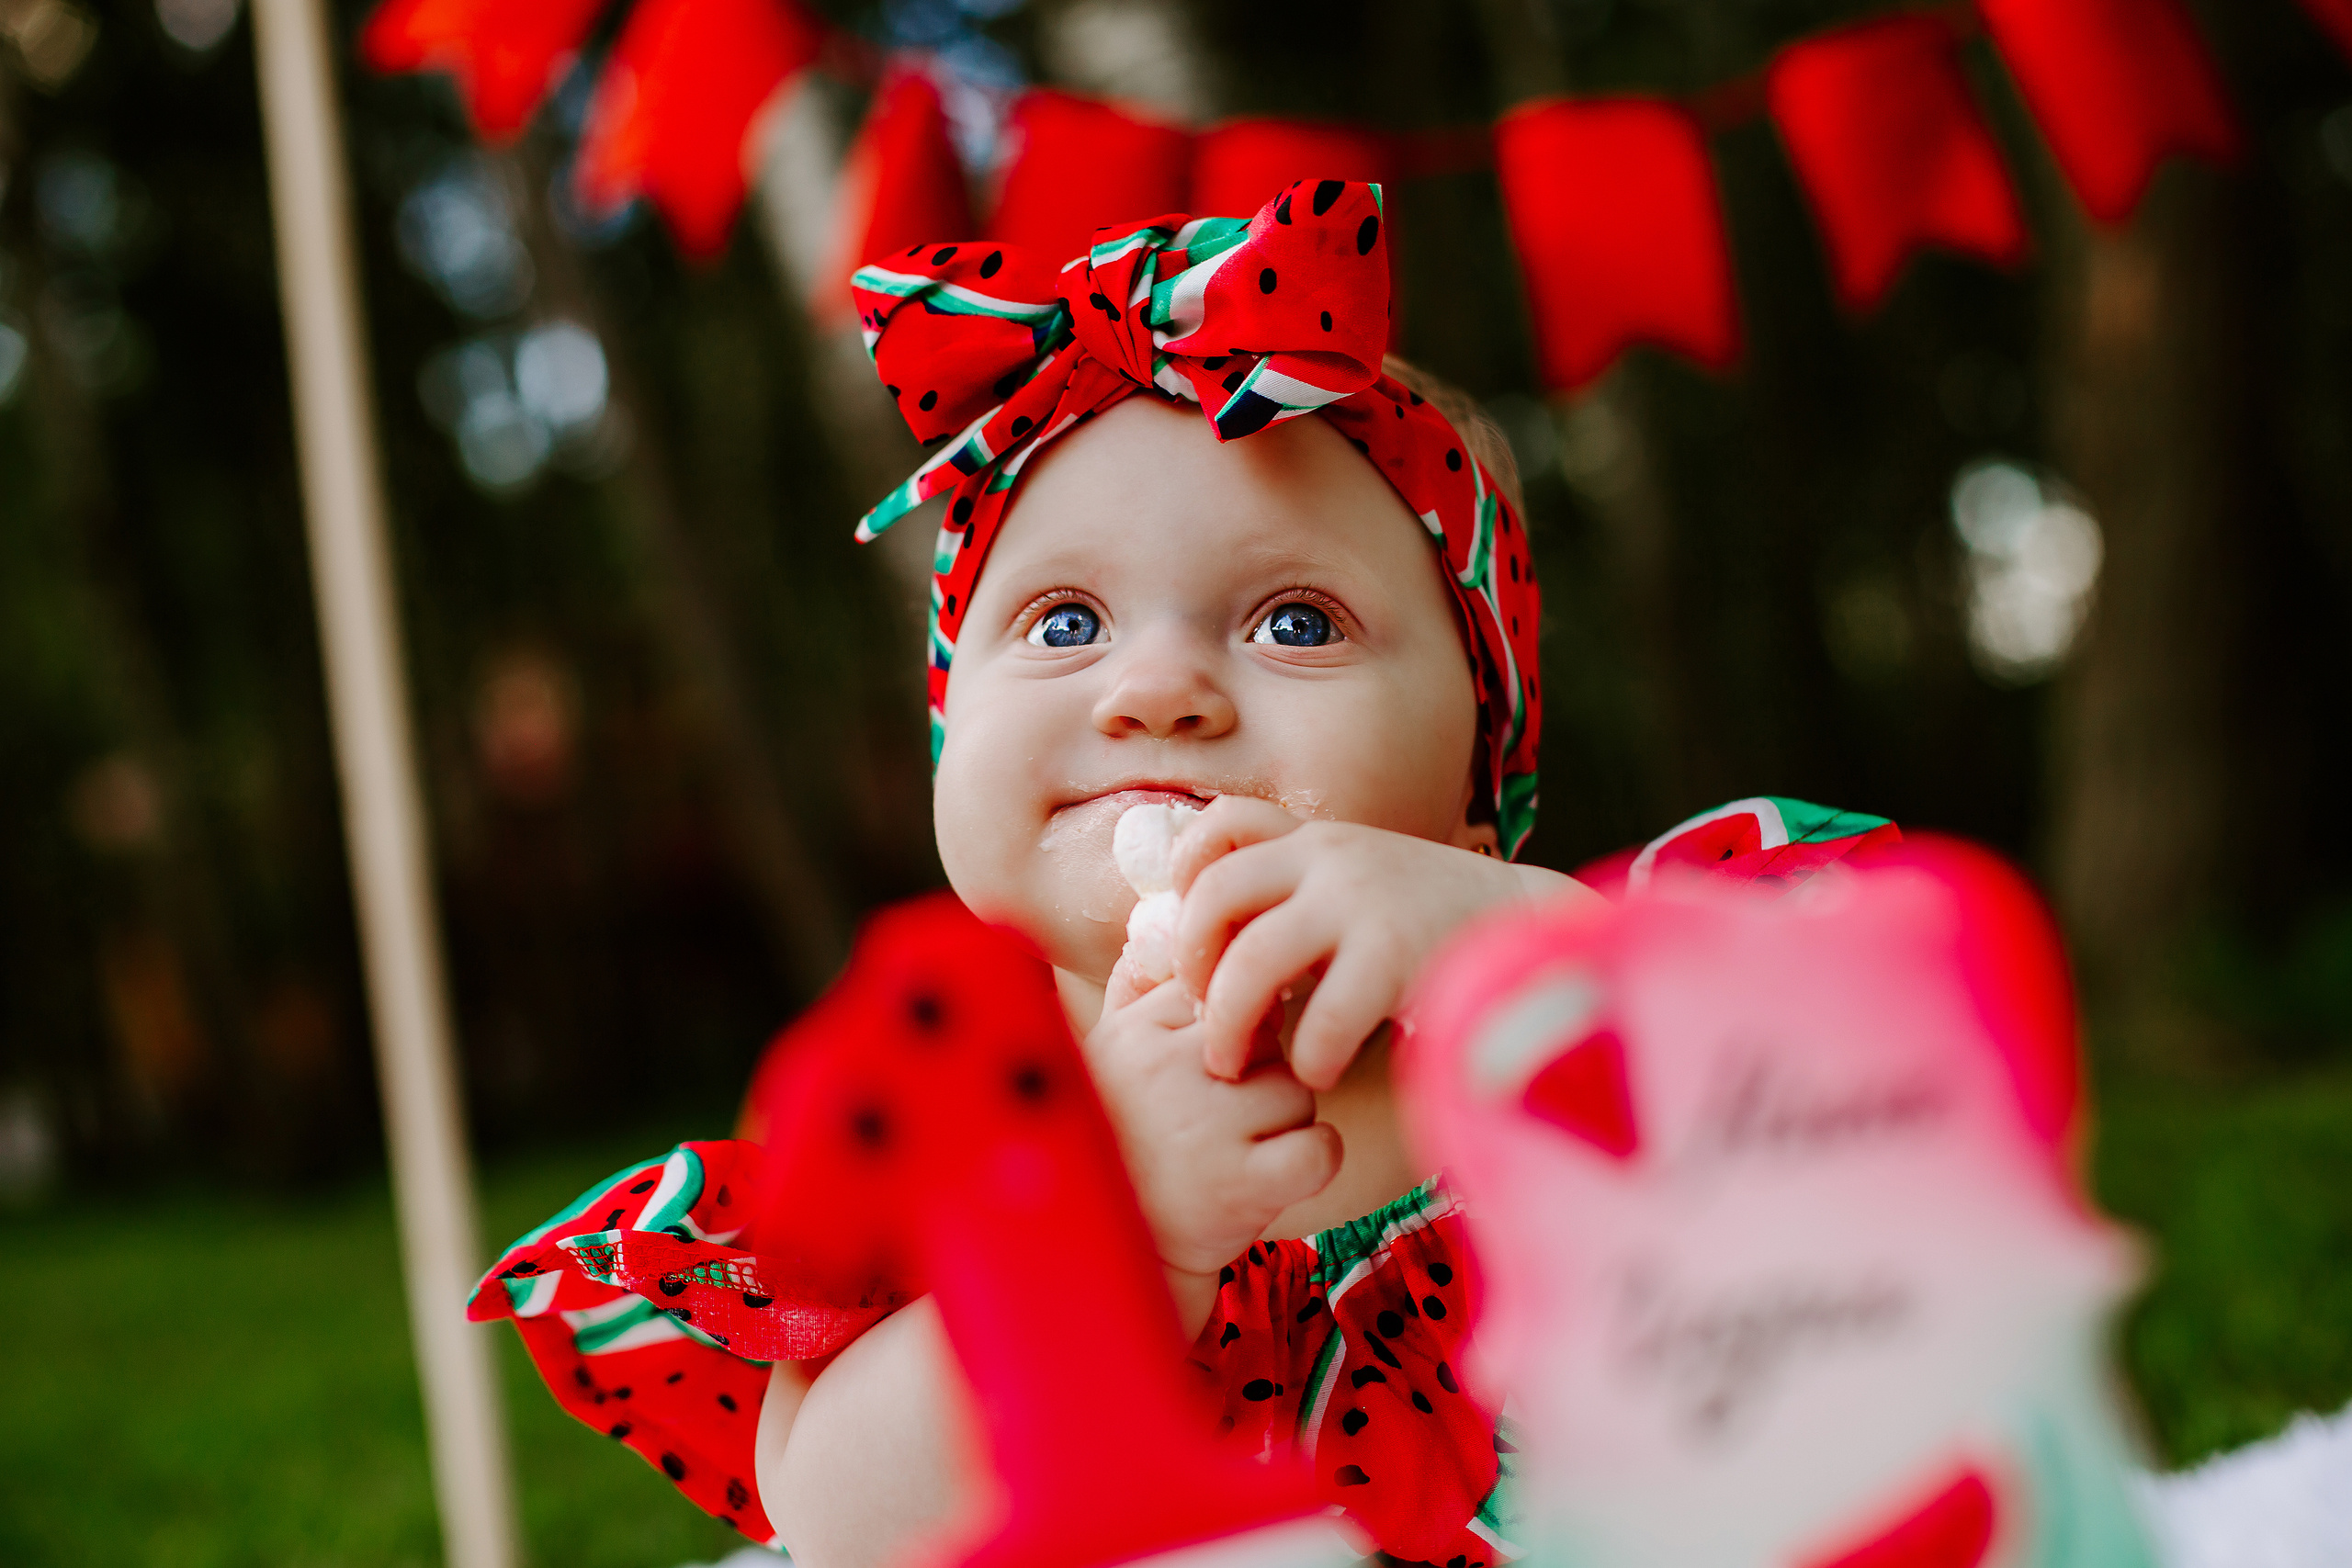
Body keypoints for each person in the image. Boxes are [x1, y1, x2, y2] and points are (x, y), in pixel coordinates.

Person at [467, 181, 1897, 1566]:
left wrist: (1524, 951)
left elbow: (1894, 1116)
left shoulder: (1550, 1026)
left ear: (1477, 803)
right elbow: (844, 1531)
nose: (1156, 688)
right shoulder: (947, 1123)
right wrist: (1104, 1235)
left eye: (1292, 622)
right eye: (1066, 618)